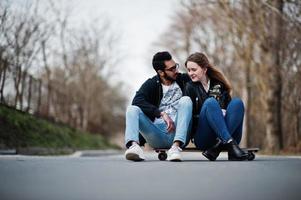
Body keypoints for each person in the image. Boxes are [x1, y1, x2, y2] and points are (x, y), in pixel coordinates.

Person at [124, 51, 192, 161]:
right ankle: (134, 147)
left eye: (176, 66)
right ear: (161, 72)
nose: (176, 71)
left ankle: (175, 147)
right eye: (171, 69)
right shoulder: (151, 84)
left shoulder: (184, 80)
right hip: (157, 134)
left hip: (180, 132)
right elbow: (137, 101)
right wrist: (160, 113)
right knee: (132, 109)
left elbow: (202, 81)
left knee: (186, 100)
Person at [184, 52, 249, 161]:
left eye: (194, 70)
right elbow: (189, 117)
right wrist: (210, 115)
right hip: (204, 137)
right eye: (189, 70)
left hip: (228, 132)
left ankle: (218, 146)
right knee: (210, 103)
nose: (190, 73)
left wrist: (221, 114)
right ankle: (228, 142)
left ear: (204, 69)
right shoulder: (189, 87)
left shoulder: (219, 85)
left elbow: (231, 112)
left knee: (237, 102)